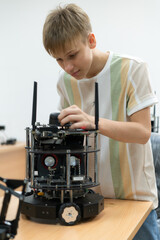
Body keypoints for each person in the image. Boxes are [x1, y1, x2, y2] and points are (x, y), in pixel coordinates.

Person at [43, 3, 160, 239]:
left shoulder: (132, 69)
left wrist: (93, 122)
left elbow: (142, 132)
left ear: (91, 40)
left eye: (72, 55)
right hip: (87, 199)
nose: (67, 67)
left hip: (135, 200)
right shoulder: (64, 81)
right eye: (58, 60)